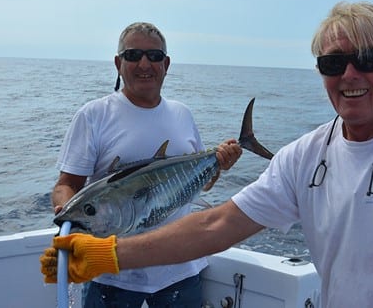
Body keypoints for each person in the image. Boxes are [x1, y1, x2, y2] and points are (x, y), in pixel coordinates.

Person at [42, 2, 373, 307]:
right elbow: (216, 226)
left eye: (367, 59)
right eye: (333, 62)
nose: (349, 75)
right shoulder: (305, 156)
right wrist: (108, 253)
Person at [50, 21, 242, 308]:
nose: (144, 64)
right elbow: (67, 184)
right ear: (118, 63)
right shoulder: (94, 115)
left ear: (166, 64)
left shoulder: (182, 114)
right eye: (133, 55)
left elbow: (199, 186)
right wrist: (68, 216)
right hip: (111, 278)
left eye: (153, 57)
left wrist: (220, 164)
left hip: (180, 270)